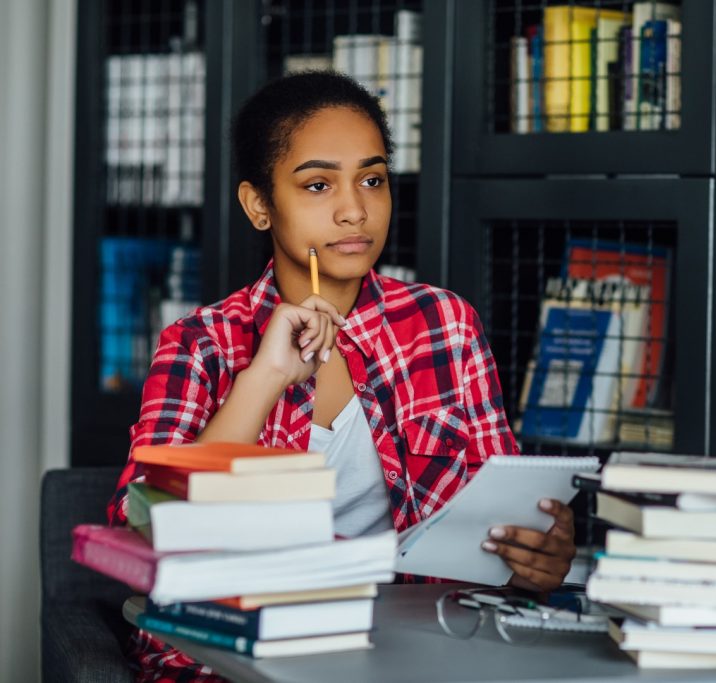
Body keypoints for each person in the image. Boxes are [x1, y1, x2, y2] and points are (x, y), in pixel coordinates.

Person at [108, 71, 576, 681]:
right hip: (236, 658)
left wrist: (537, 555)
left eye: (372, 180)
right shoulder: (203, 343)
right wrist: (266, 376)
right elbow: (141, 532)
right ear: (258, 205)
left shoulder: (445, 323)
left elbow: (503, 530)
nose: (354, 209)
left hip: (424, 649)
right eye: (318, 184)